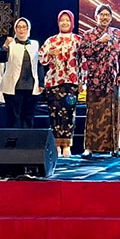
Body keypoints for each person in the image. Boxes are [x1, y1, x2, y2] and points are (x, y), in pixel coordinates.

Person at [79, 4, 120, 158]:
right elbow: (83, 52)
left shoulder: (118, 34)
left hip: (112, 81)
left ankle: (114, 148)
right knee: (93, 114)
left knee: (113, 115)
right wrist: (99, 42)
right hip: (94, 80)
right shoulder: (88, 34)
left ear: (111, 17)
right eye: (102, 14)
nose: (104, 17)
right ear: (96, 17)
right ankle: (89, 148)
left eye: (107, 15)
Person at [39, 10, 84, 158]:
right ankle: (56, 145)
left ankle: (67, 145)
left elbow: (83, 62)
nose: (65, 23)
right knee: (54, 113)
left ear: (72, 22)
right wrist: (49, 54)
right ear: (58, 23)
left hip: (71, 83)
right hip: (53, 83)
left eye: (67, 20)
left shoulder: (78, 40)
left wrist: (82, 81)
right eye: (62, 20)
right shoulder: (51, 40)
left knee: (69, 113)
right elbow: (42, 59)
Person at [0, 17, 43, 129]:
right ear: (15, 29)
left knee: (28, 117)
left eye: (24, 27)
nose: (21, 30)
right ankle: (14, 138)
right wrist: (5, 46)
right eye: (19, 27)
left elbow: (39, 64)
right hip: (13, 87)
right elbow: (1, 59)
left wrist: (41, 83)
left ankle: (27, 138)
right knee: (14, 117)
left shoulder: (35, 44)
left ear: (28, 29)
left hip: (31, 86)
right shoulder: (11, 44)